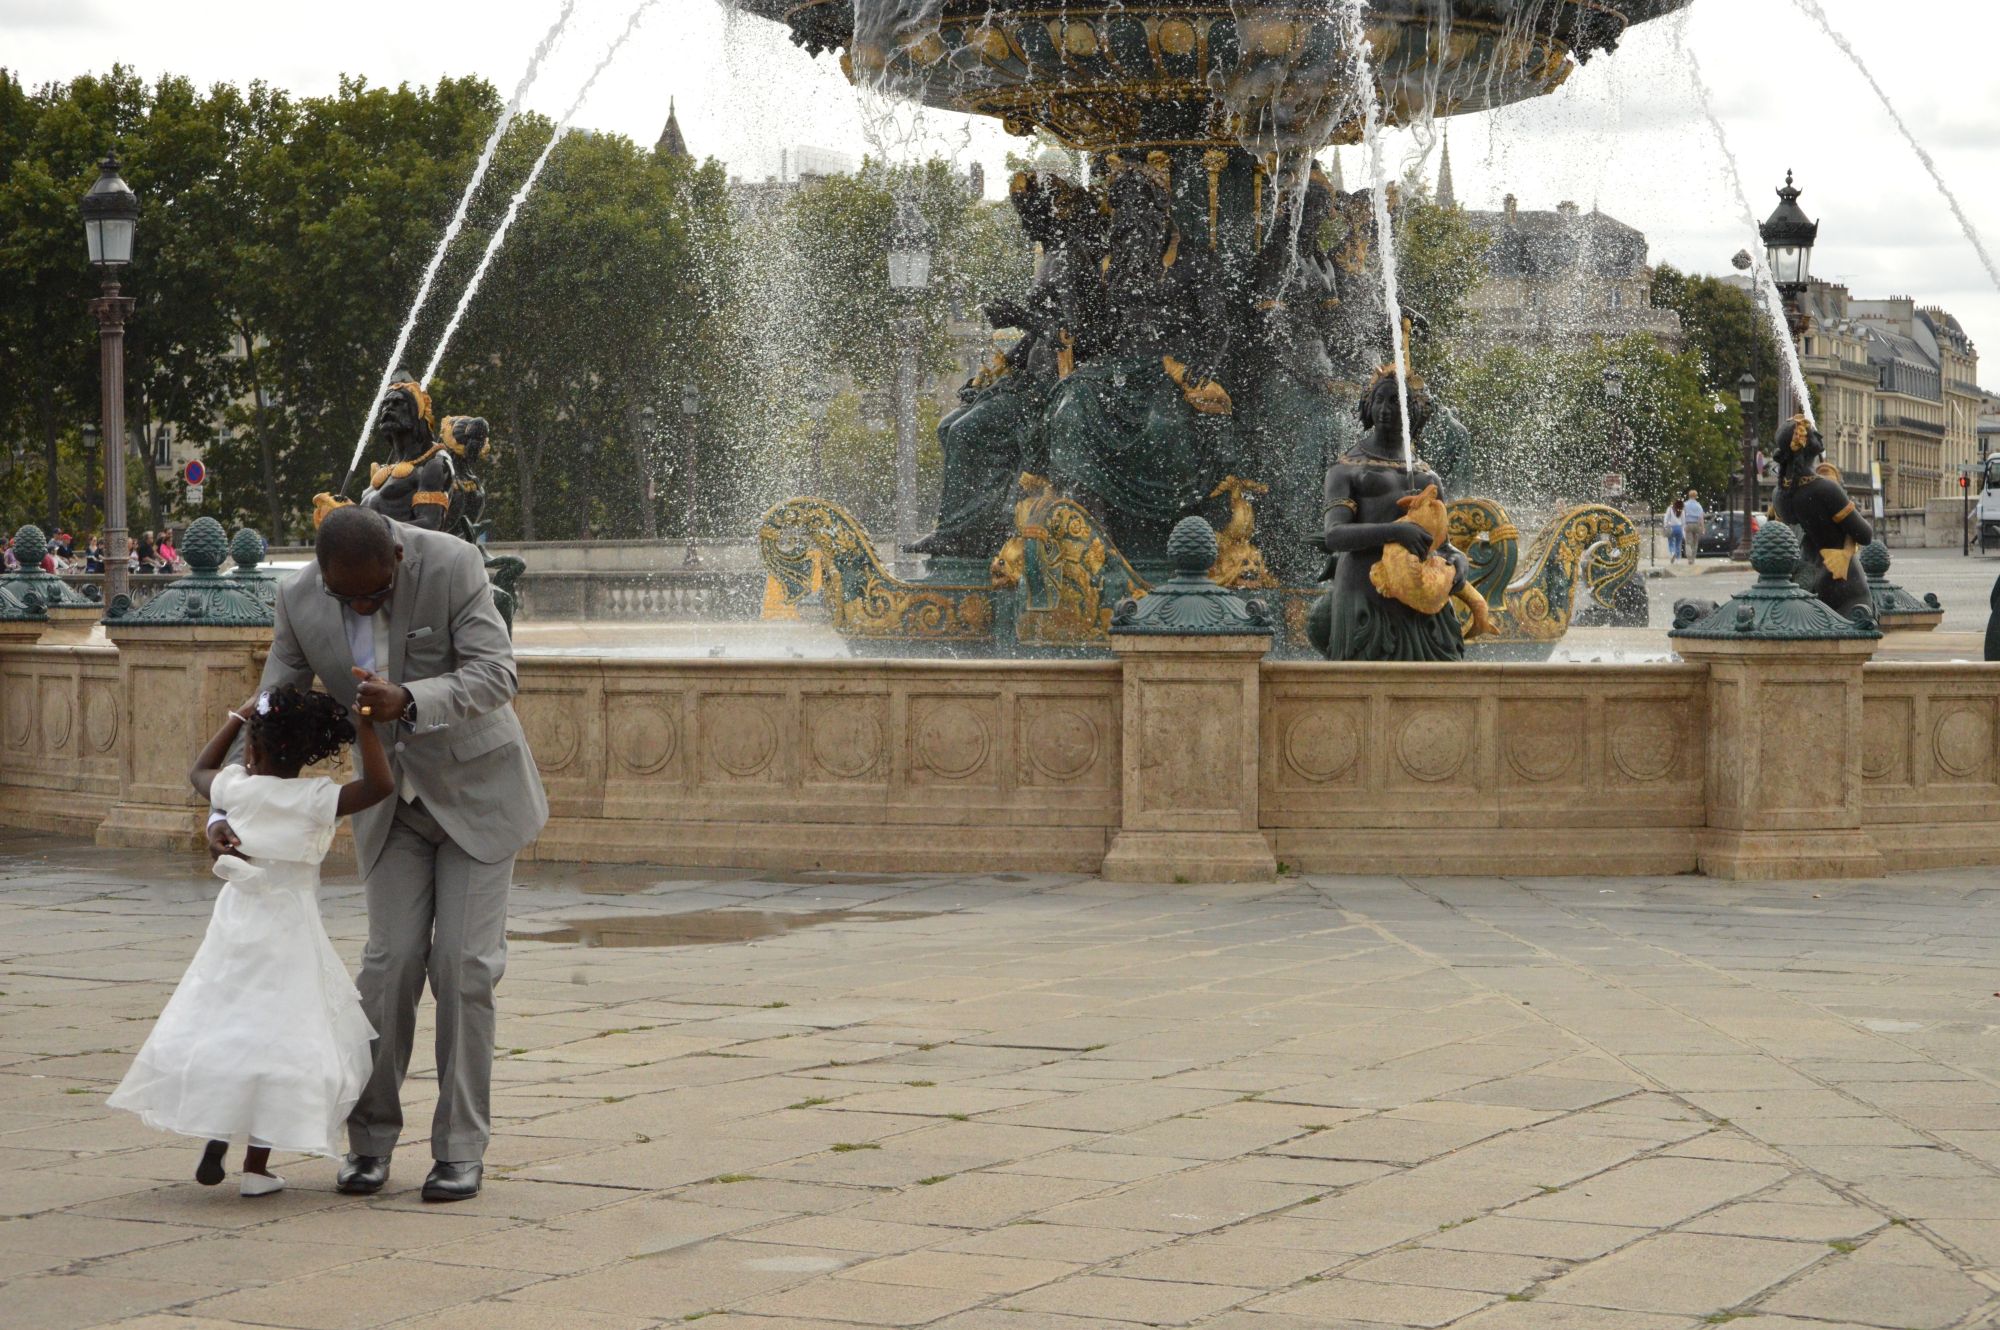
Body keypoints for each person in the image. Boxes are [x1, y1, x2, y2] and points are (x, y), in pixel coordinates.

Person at [206, 505, 546, 1202]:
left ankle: (459, 1150)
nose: (361, 606)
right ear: (323, 575)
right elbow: (271, 707)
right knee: (387, 968)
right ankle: (369, 1143)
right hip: (389, 808)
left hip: (479, 794)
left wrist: (410, 698)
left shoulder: (452, 563)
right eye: (346, 596)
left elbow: (497, 673)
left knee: (463, 967)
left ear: (396, 556)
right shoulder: (300, 597)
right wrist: (225, 805)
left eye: (374, 593)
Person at [108, 685, 394, 1194]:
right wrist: (367, 726)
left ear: (253, 748)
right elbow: (379, 785)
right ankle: (256, 1170)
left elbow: (199, 770)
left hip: (236, 926)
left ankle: (217, 1133)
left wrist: (236, 718)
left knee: (229, 1020)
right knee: (280, 1035)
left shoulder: (236, 788)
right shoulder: (315, 798)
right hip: (291, 929)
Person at [1681, 490, 1705, 562]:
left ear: (1689, 495)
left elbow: (1683, 516)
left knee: (1688, 542)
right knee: (1695, 543)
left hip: (1688, 524)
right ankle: (1693, 558)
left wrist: (1683, 525)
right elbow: (1701, 517)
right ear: (1696, 496)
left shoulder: (1685, 504)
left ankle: (1689, 557)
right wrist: (1703, 527)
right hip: (1697, 524)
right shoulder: (1698, 505)